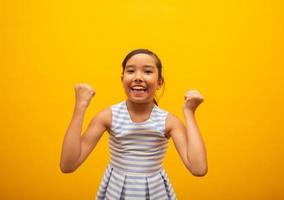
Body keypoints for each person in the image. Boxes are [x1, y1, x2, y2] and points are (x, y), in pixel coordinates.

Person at [60, 49, 208, 200]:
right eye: (131, 71)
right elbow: (68, 165)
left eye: (147, 71)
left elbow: (199, 168)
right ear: (122, 79)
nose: (138, 77)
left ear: (159, 82)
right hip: (115, 191)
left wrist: (189, 113)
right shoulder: (108, 116)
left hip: (156, 192)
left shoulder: (169, 121)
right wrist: (80, 106)